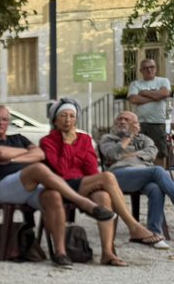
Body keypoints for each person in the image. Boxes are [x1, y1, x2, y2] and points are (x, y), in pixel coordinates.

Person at [0, 104, 118, 268]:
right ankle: (85, 203)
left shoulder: (18, 138)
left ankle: (60, 253)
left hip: (31, 185)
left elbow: (40, 154)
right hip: (2, 187)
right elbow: (0, 154)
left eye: (4, 119)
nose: (0, 122)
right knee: (38, 168)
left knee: (53, 196)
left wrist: (12, 159)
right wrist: (25, 154)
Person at [39, 98, 162, 265]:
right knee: (107, 176)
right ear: (55, 119)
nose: (68, 120)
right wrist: (67, 145)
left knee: (103, 196)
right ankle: (133, 226)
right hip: (61, 186)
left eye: (72, 116)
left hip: (82, 184)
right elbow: (61, 170)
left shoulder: (83, 139)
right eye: (63, 116)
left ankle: (108, 253)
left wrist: (77, 149)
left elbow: (90, 170)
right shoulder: (47, 141)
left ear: (76, 119)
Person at [99, 109, 174, 247]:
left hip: (144, 174)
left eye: (126, 119)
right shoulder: (108, 138)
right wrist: (128, 137)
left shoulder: (144, 139)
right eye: (120, 119)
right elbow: (112, 154)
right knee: (157, 170)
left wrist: (130, 155)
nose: (122, 121)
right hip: (118, 176)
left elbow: (152, 152)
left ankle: (153, 233)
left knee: (155, 188)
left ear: (136, 124)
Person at [127, 58, 170, 165]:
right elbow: (133, 99)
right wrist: (156, 96)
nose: (149, 70)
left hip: (158, 122)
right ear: (141, 70)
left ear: (156, 69)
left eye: (152, 67)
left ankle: (159, 175)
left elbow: (164, 94)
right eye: (145, 68)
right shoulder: (135, 84)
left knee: (159, 152)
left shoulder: (163, 81)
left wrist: (144, 92)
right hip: (139, 124)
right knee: (139, 151)